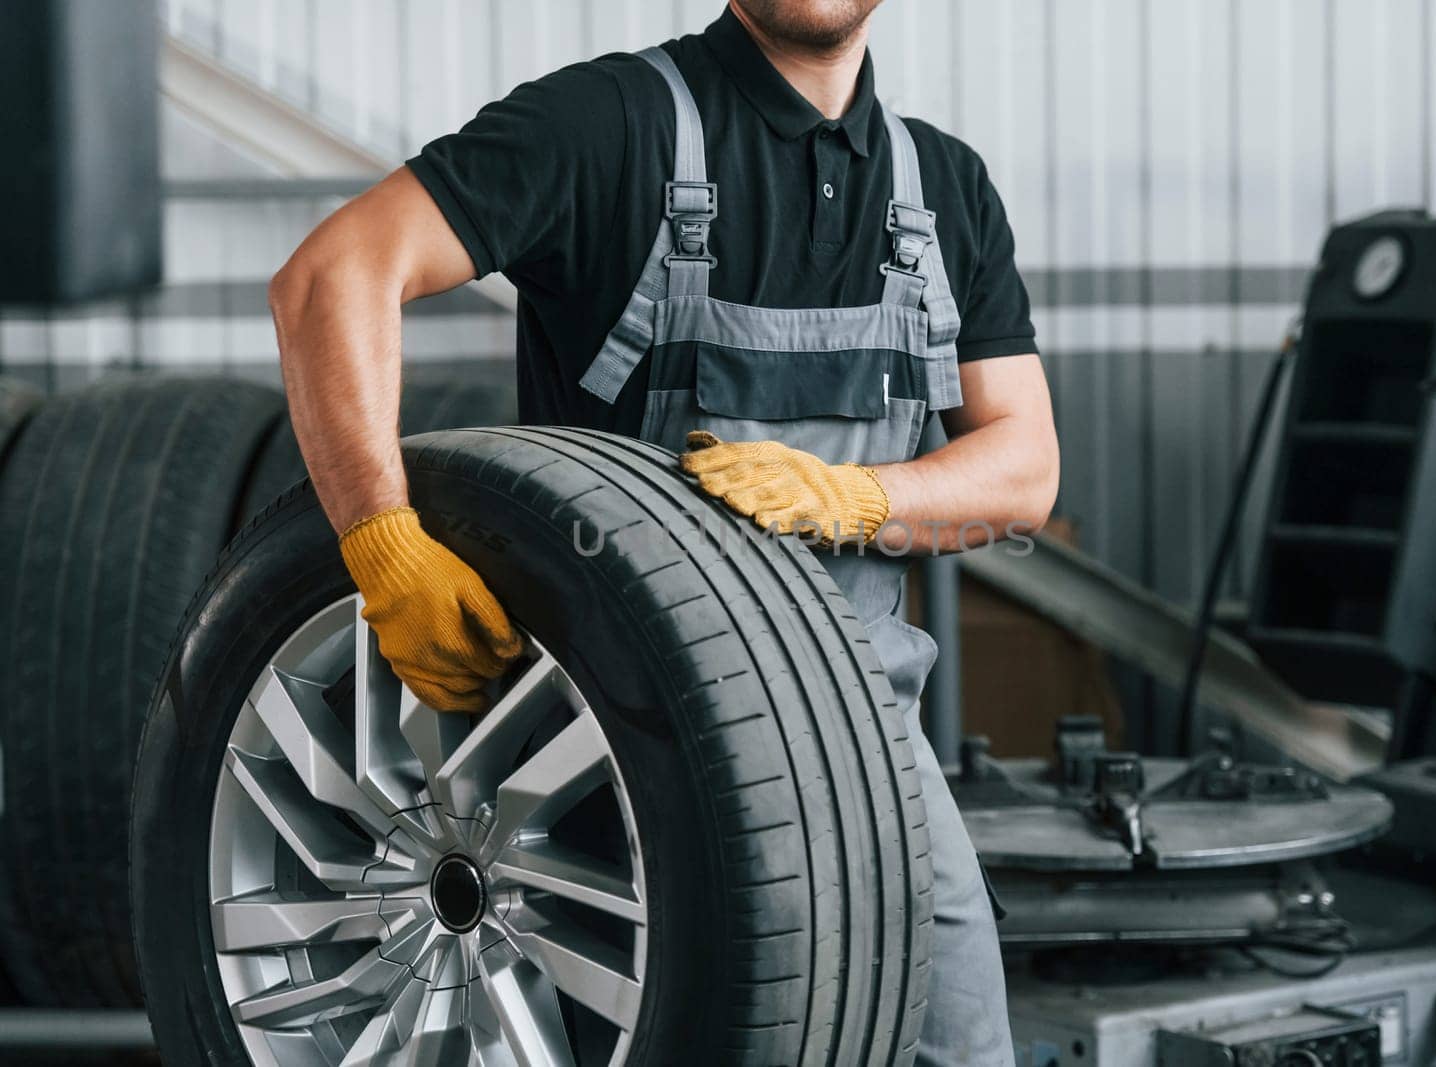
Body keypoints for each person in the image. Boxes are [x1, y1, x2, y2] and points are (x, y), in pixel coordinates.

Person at [269, 2, 1058, 1063]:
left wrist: (856, 497)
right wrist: (380, 537)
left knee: (957, 1044)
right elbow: (333, 273)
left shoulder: (944, 188)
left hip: (868, 752)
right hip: (618, 768)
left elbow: (1023, 469)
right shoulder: (607, 124)